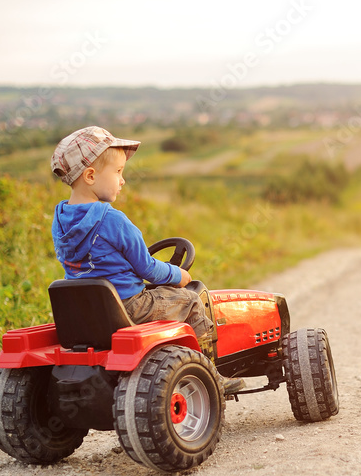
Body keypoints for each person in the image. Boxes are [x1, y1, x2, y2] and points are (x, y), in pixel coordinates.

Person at [49, 126, 243, 394]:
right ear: (90, 176)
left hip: (85, 314)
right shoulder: (112, 220)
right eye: (118, 172)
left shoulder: (60, 220)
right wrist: (179, 275)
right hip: (129, 307)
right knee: (189, 300)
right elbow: (147, 269)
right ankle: (211, 376)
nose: (123, 180)